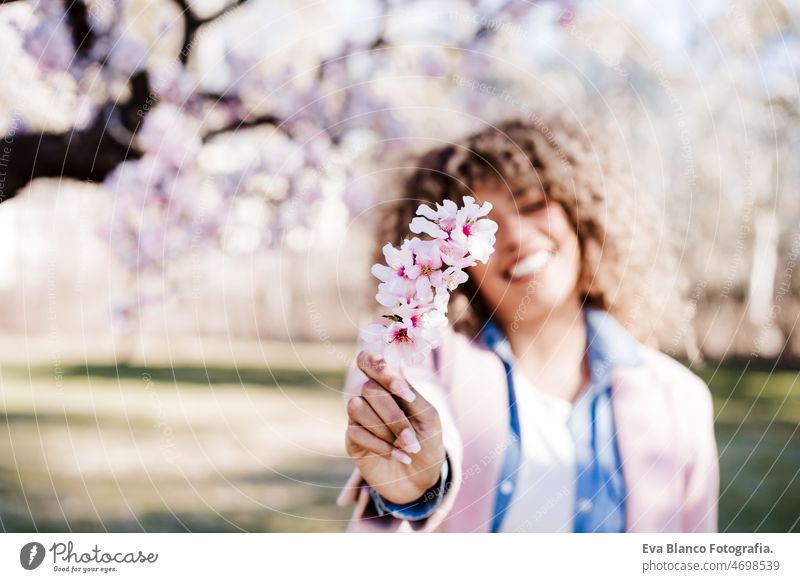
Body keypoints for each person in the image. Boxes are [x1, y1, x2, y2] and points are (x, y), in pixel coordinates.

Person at [335, 113, 719, 533]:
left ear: (581, 218)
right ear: (453, 262)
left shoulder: (680, 400)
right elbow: (410, 411)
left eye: (533, 205)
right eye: (485, 229)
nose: (515, 235)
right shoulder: (426, 354)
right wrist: (422, 482)